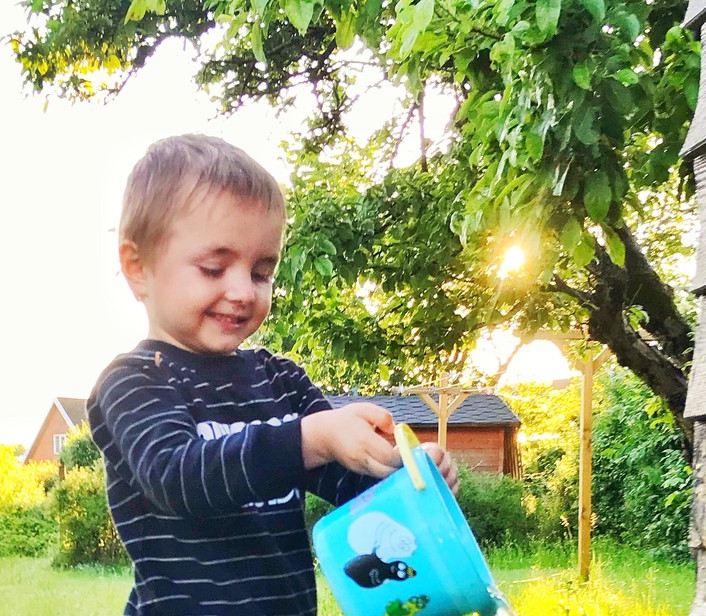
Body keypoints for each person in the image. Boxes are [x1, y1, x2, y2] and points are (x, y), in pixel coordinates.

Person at [87, 134, 459, 615]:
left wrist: (406, 474)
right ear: (138, 268)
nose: (243, 291)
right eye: (214, 268)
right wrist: (312, 439)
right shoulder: (133, 382)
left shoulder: (280, 380)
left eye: (262, 273)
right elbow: (177, 478)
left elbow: (345, 487)